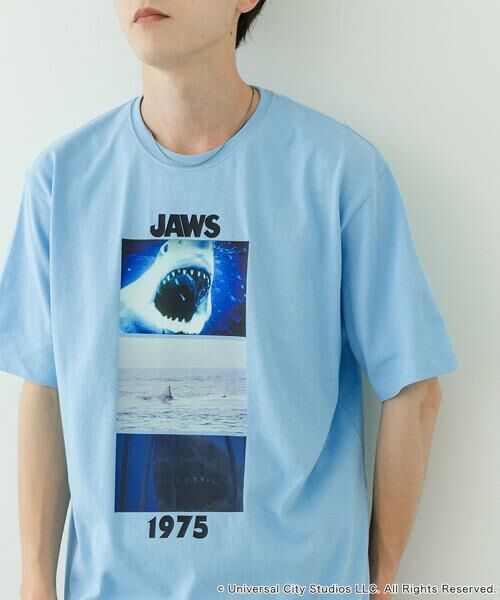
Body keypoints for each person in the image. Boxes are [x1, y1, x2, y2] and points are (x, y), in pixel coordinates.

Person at [0, 1, 460, 599]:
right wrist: (35, 579)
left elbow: (415, 389)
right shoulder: (61, 180)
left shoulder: (338, 171)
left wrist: (382, 580)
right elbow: (45, 386)